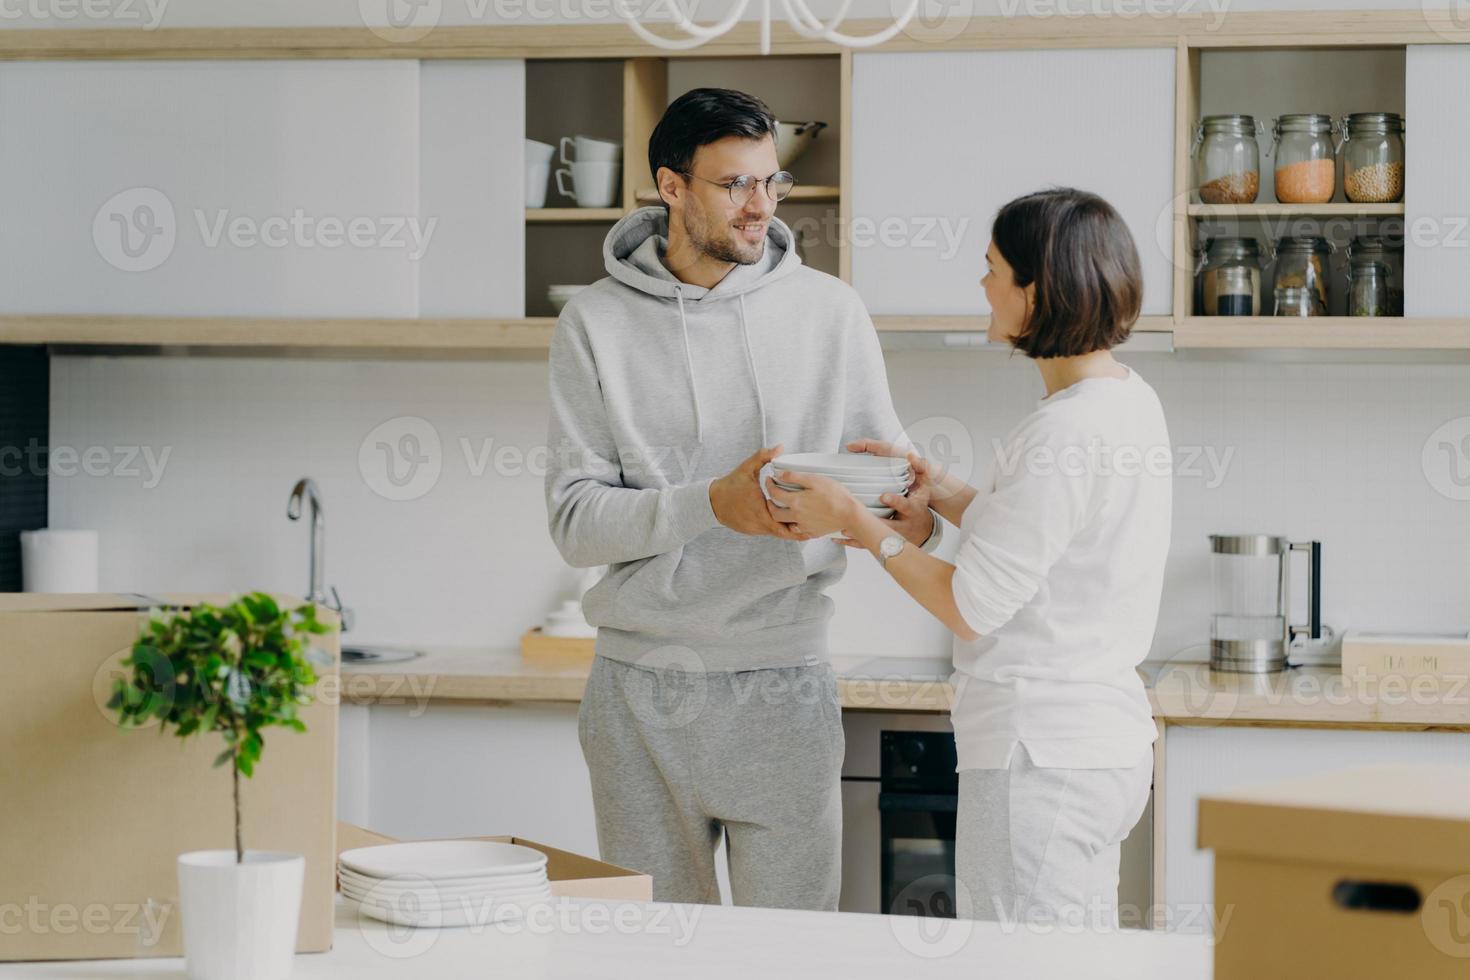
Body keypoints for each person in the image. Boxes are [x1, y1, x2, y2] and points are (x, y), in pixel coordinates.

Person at [543, 87, 942, 910]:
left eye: (772, 184)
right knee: (654, 962)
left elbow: (895, 487)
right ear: (672, 186)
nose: (760, 207)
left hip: (781, 686)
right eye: (734, 185)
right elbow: (576, 524)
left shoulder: (832, 313)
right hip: (637, 696)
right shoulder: (594, 324)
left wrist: (916, 512)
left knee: (792, 960)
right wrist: (710, 504)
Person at [768, 188, 1170, 927]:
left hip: (1039, 757)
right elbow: (1045, 539)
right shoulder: (1125, 400)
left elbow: (973, 602)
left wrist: (857, 519)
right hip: (1097, 746)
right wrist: (941, 489)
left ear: (1035, 290)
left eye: (992, 269)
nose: (981, 286)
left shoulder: (1064, 433)